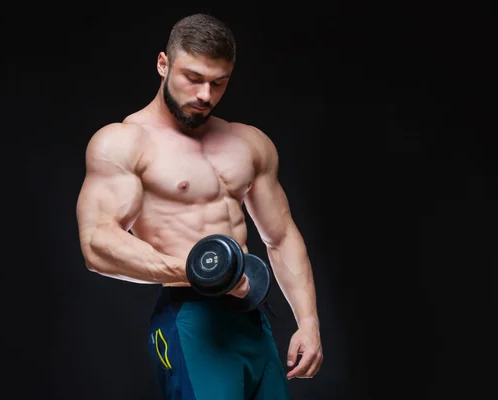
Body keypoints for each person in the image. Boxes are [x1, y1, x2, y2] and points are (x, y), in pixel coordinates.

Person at [76, 13, 323, 399]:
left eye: (218, 83)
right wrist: (198, 273)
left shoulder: (248, 143)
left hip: (252, 316)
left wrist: (308, 321)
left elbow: (281, 235)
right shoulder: (124, 142)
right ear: (163, 64)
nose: (205, 95)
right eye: (193, 78)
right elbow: (96, 244)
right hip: (189, 318)